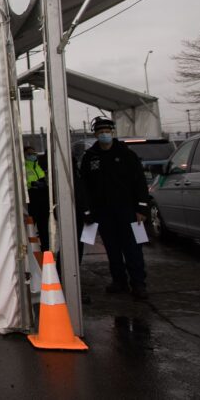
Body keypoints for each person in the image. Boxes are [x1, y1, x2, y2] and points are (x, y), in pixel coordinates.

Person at [80, 117, 150, 300]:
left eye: (107, 132)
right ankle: (119, 281)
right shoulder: (90, 157)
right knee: (112, 248)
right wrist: (87, 210)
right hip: (103, 212)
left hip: (127, 210)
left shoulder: (127, 155)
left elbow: (140, 183)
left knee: (133, 248)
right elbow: (84, 186)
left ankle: (138, 284)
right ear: (96, 134)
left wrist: (142, 208)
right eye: (101, 132)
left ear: (112, 133)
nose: (104, 135)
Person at [24, 145, 50, 252]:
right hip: (31, 201)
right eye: (29, 154)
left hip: (43, 201)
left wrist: (44, 183)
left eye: (33, 154)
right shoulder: (24, 167)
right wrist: (32, 184)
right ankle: (29, 251)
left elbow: (46, 180)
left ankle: (45, 250)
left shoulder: (39, 166)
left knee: (44, 229)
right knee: (29, 229)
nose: (32, 156)